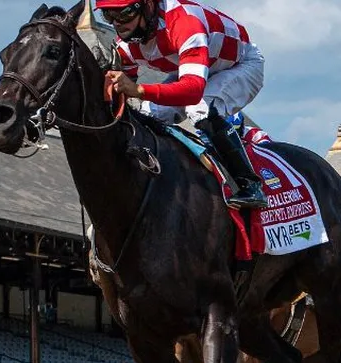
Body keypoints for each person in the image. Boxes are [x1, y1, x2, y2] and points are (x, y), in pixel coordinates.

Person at [95, 0, 268, 209]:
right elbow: (122, 94)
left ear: (148, 5)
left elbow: (193, 92)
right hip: (199, 66)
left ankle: (249, 184)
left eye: (124, 14)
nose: (117, 24)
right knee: (147, 114)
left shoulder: (183, 23)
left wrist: (140, 90)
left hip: (241, 65)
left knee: (200, 109)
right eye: (108, 16)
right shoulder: (126, 47)